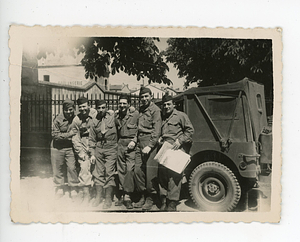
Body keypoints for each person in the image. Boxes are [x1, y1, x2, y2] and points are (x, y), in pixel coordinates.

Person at [158, 94, 194, 211]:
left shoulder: (180, 116)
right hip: (164, 147)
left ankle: (172, 202)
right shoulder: (163, 116)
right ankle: (163, 200)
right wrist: (160, 138)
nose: (166, 106)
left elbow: (190, 130)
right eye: (164, 105)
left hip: (176, 148)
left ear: (174, 104)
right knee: (162, 175)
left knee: (174, 177)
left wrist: (180, 140)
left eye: (169, 104)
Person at [133, 86, 162, 211]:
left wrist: (150, 146)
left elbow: (156, 130)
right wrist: (135, 140)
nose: (144, 99)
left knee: (150, 173)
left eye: (146, 96)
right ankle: (143, 195)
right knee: (138, 171)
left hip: (150, 143)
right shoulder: (140, 110)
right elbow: (137, 128)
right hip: (140, 141)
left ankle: (151, 198)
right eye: (142, 97)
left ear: (151, 97)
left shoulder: (155, 110)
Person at [89, 100, 118, 209]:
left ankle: (108, 198)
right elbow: (91, 139)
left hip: (111, 148)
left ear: (106, 108)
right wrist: (92, 153)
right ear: (96, 109)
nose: (101, 110)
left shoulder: (113, 118)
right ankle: (98, 197)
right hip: (99, 148)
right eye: (99, 108)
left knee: (109, 172)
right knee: (98, 172)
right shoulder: (94, 122)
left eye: (103, 107)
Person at [51, 99, 79, 200]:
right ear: (63, 110)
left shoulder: (76, 118)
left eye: (70, 109)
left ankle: (73, 188)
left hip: (69, 147)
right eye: (66, 110)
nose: (68, 112)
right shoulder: (58, 119)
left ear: (74, 109)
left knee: (72, 168)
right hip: (57, 147)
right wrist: (69, 134)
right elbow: (55, 135)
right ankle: (59, 187)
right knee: (58, 168)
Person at [72, 96, 97, 205]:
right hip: (83, 146)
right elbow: (75, 138)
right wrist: (81, 153)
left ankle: (97, 193)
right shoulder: (76, 119)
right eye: (80, 107)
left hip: (95, 145)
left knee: (97, 168)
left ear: (88, 105)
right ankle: (85, 193)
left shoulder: (95, 114)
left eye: (84, 106)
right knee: (84, 167)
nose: (83, 109)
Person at [115, 94, 139, 209]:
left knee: (130, 169)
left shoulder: (135, 115)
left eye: (124, 103)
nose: (122, 105)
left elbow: (140, 130)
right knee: (121, 169)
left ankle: (128, 195)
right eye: (120, 103)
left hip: (131, 145)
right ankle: (122, 194)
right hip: (121, 143)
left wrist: (134, 141)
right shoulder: (117, 115)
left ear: (129, 104)